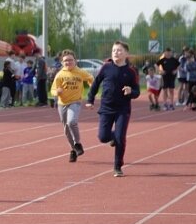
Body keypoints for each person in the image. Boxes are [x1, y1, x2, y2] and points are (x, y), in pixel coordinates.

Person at [86, 41, 140, 177]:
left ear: (126, 54)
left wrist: (131, 91)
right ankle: (112, 138)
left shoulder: (131, 72)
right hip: (106, 108)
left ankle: (118, 166)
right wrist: (90, 99)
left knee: (120, 138)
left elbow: (137, 91)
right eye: (114, 50)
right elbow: (96, 83)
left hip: (123, 109)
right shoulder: (106, 68)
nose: (116, 53)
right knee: (103, 137)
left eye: (119, 50)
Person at [51, 50, 94, 163]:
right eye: (65, 60)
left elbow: (90, 78)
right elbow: (53, 90)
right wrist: (57, 92)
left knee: (71, 122)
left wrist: (91, 87)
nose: (68, 62)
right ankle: (73, 149)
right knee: (66, 129)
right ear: (62, 63)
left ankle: (78, 143)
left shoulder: (80, 72)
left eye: (70, 60)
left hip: (75, 102)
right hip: (62, 104)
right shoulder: (60, 75)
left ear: (75, 61)